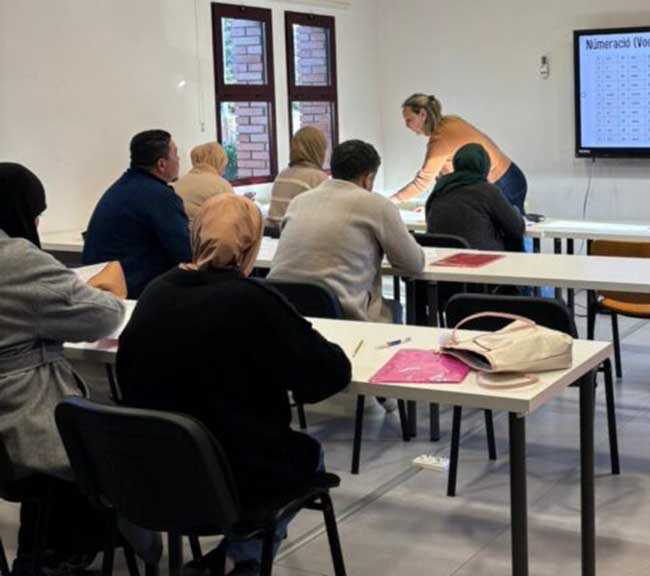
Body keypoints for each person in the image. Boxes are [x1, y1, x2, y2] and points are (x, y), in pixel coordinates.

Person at [116, 194, 351, 576]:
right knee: (308, 453)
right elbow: (329, 374)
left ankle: (226, 560)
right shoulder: (254, 301)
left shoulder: (156, 292)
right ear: (251, 245)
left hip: (153, 473)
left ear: (196, 235)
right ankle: (237, 560)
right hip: (234, 478)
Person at [0, 163, 130, 575]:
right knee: (118, 439)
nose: (38, 223)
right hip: (26, 424)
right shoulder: (17, 260)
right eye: (36, 213)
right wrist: (98, 292)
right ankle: (68, 552)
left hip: (6, 428)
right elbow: (104, 316)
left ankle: (45, 548)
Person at [269, 139, 425, 323]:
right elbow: (414, 264)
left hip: (281, 310)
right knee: (392, 309)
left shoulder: (299, 201)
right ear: (368, 179)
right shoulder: (378, 205)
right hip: (342, 315)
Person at [83, 129, 191, 298]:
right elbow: (186, 254)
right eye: (176, 154)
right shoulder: (160, 196)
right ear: (162, 164)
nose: (178, 160)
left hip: (99, 286)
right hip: (134, 292)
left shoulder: (121, 187)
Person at [390, 94, 528, 213]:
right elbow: (448, 180)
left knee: (509, 233)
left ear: (422, 114)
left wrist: (391, 201)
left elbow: (421, 183)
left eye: (409, 120)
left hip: (502, 183)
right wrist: (433, 205)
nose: (407, 125)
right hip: (511, 177)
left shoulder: (441, 139)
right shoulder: (452, 121)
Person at [426, 143, 525, 252]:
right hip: (481, 259)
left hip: (440, 259)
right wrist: (516, 210)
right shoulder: (488, 191)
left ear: (456, 163)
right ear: (485, 166)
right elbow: (516, 228)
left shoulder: (440, 187)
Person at [268, 126, 329, 227]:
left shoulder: (282, 175)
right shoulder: (317, 177)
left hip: (278, 233)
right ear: (318, 150)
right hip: (299, 233)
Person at [173, 142, 234, 222]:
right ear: (219, 162)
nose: (224, 170)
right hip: (207, 229)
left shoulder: (179, 182)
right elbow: (233, 218)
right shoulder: (221, 185)